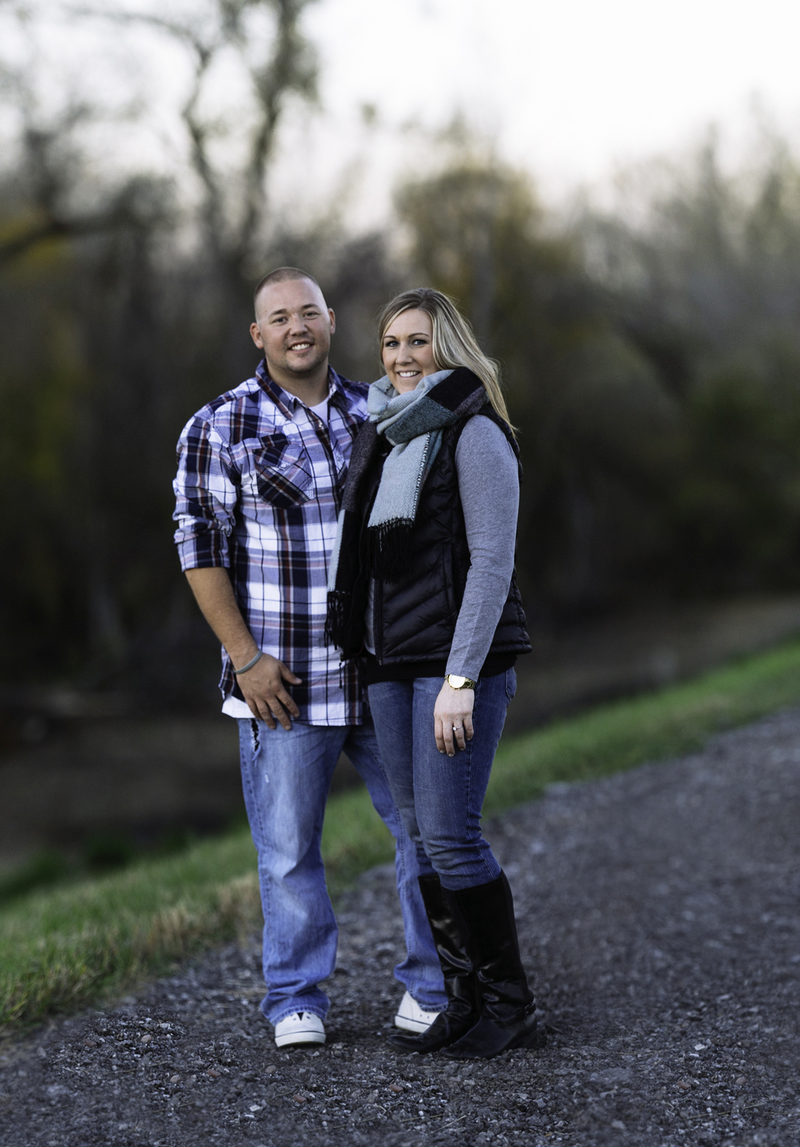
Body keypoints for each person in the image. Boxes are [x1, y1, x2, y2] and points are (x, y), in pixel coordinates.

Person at [173, 268, 446, 1050]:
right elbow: (200, 551)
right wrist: (246, 658)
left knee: (423, 832)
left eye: (310, 312)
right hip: (281, 684)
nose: (298, 326)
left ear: (332, 323)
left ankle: (432, 984)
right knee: (289, 849)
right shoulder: (220, 425)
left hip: (385, 674)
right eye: (279, 317)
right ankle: (297, 996)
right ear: (258, 336)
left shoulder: (382, 410)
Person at [330, 286, 541, 1058]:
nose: (402, 357)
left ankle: (510, 1006)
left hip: (457, 668)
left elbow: (491, 564)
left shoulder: (475, 432)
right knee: (418, 838)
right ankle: (462, 1000)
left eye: (417, 342)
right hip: (390, 663)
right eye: (390, 345)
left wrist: (460, 680)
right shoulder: (383, 434)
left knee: (452, 836)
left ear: (447, 346)